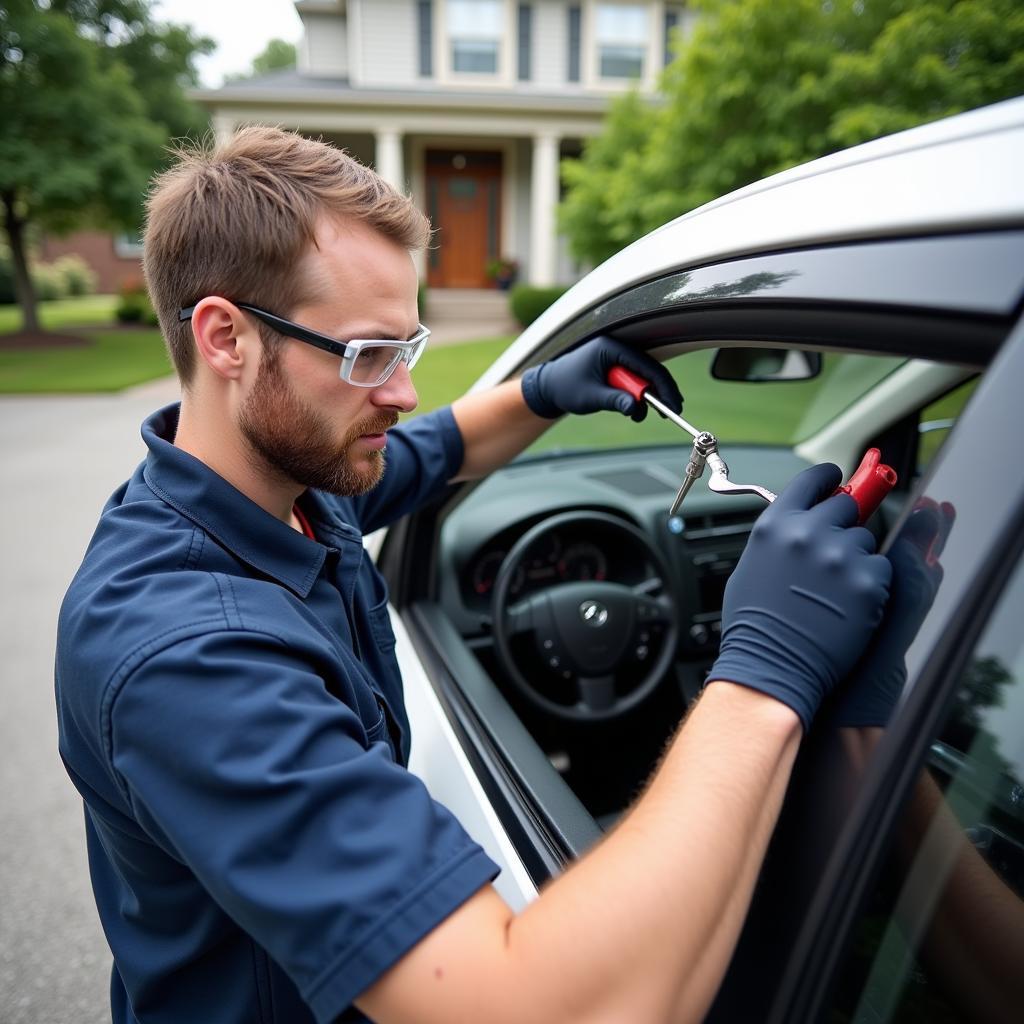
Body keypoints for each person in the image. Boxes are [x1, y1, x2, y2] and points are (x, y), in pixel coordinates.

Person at [55, 127, 892, 1024]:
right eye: (368, 354)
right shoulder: (187, 657)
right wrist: (765, 671)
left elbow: (433, 450)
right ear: (227, 337)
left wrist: (542, 392)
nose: (402, 391)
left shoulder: (279, 480)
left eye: (407, 349)